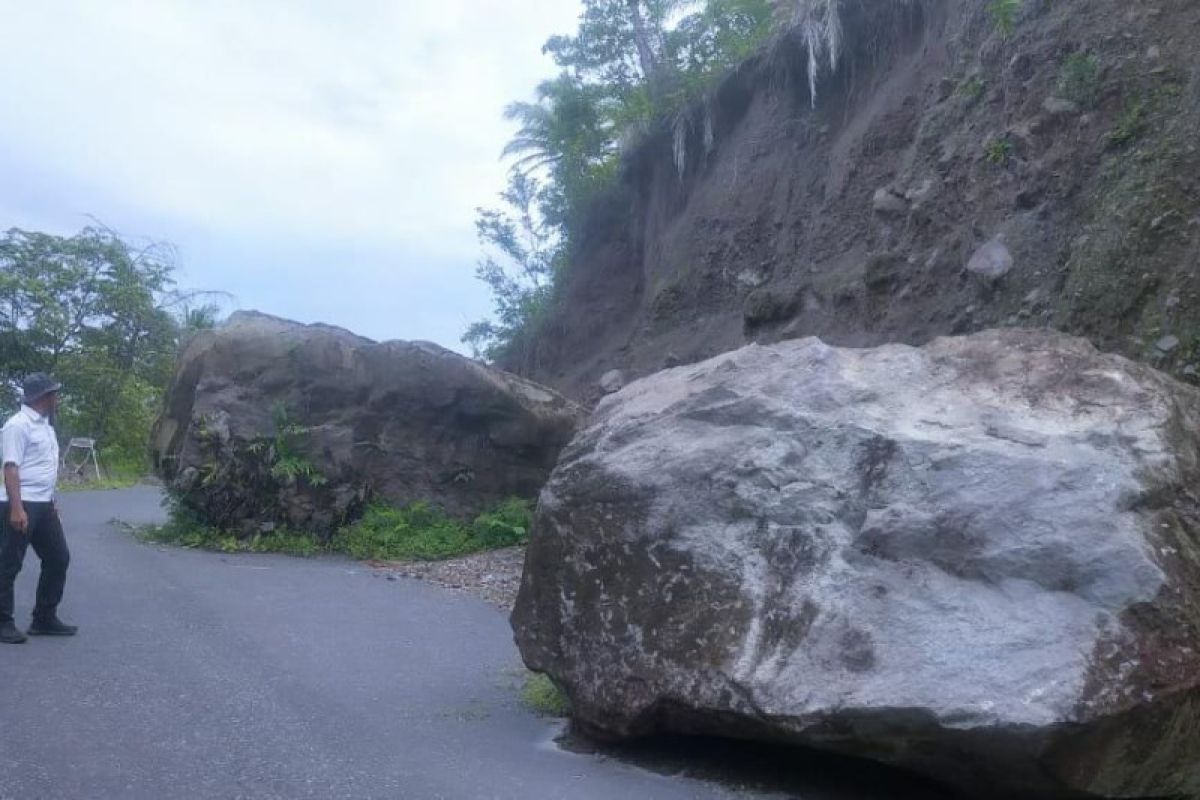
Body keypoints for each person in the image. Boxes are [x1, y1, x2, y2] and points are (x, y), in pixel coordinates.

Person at [0, 373, 77, 644]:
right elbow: (11, 468)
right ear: (43, 397)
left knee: (58, 558)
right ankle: (2, 623)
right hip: (20, 502)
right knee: (8, 564)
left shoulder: (45, 425)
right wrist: (16, 508)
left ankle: (44, 618)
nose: (57, 398)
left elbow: (43, 467)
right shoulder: (17, 425)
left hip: (43, 504)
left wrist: (51, 500)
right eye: (54, 393)